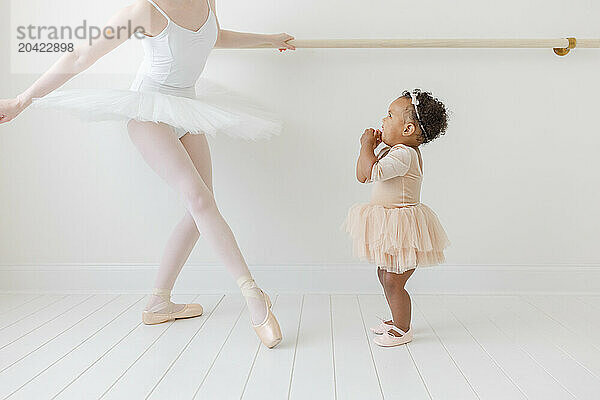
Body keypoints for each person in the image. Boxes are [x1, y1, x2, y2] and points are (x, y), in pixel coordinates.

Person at [0, 0, 296, 348]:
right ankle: (253, 295)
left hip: (188, 110)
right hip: (149, 111)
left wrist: (269, 39)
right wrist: (22, 100)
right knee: (200, 200)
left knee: (200, 209)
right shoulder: (144, 9)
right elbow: (80, 57)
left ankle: (159, 302)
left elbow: (210, 37)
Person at [345, 89, 451, 347]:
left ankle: (403, 328)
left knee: (394, 281)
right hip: (391, 224)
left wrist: (366, 145)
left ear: (407, 129)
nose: (383, 120)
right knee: (385, 276)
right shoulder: (395, 152)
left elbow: (370, 173)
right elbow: (362, 174)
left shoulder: (404, 154)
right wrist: (372, 147)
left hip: (402, 227)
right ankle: (396, 319)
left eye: (389, 115)